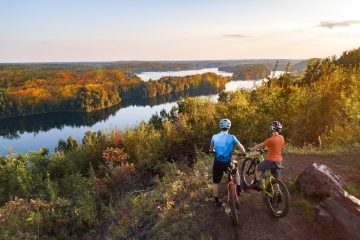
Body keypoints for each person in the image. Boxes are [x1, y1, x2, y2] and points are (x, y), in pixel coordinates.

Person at [209, 118, 246, 206]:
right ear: (229, 127)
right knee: (236, 171)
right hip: (227, 163)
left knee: (216, 182)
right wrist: (243, 152)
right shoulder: (232, 137)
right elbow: (240, 147)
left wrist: (213, 150)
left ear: (220, 126)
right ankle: (239, 188)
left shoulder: (214, 136)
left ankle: (216, 200)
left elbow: (211, 149)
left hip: (217, 163)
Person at [251, 121, 285, 191]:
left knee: (257, 168)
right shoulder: (282, 138)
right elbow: (280, 148)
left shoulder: (270, 140)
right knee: (276, 180)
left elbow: (259, 145)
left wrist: (252, 149)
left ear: (272, 128)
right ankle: (277, 194)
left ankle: (257, 184)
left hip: (270, 161)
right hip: (279, 161)